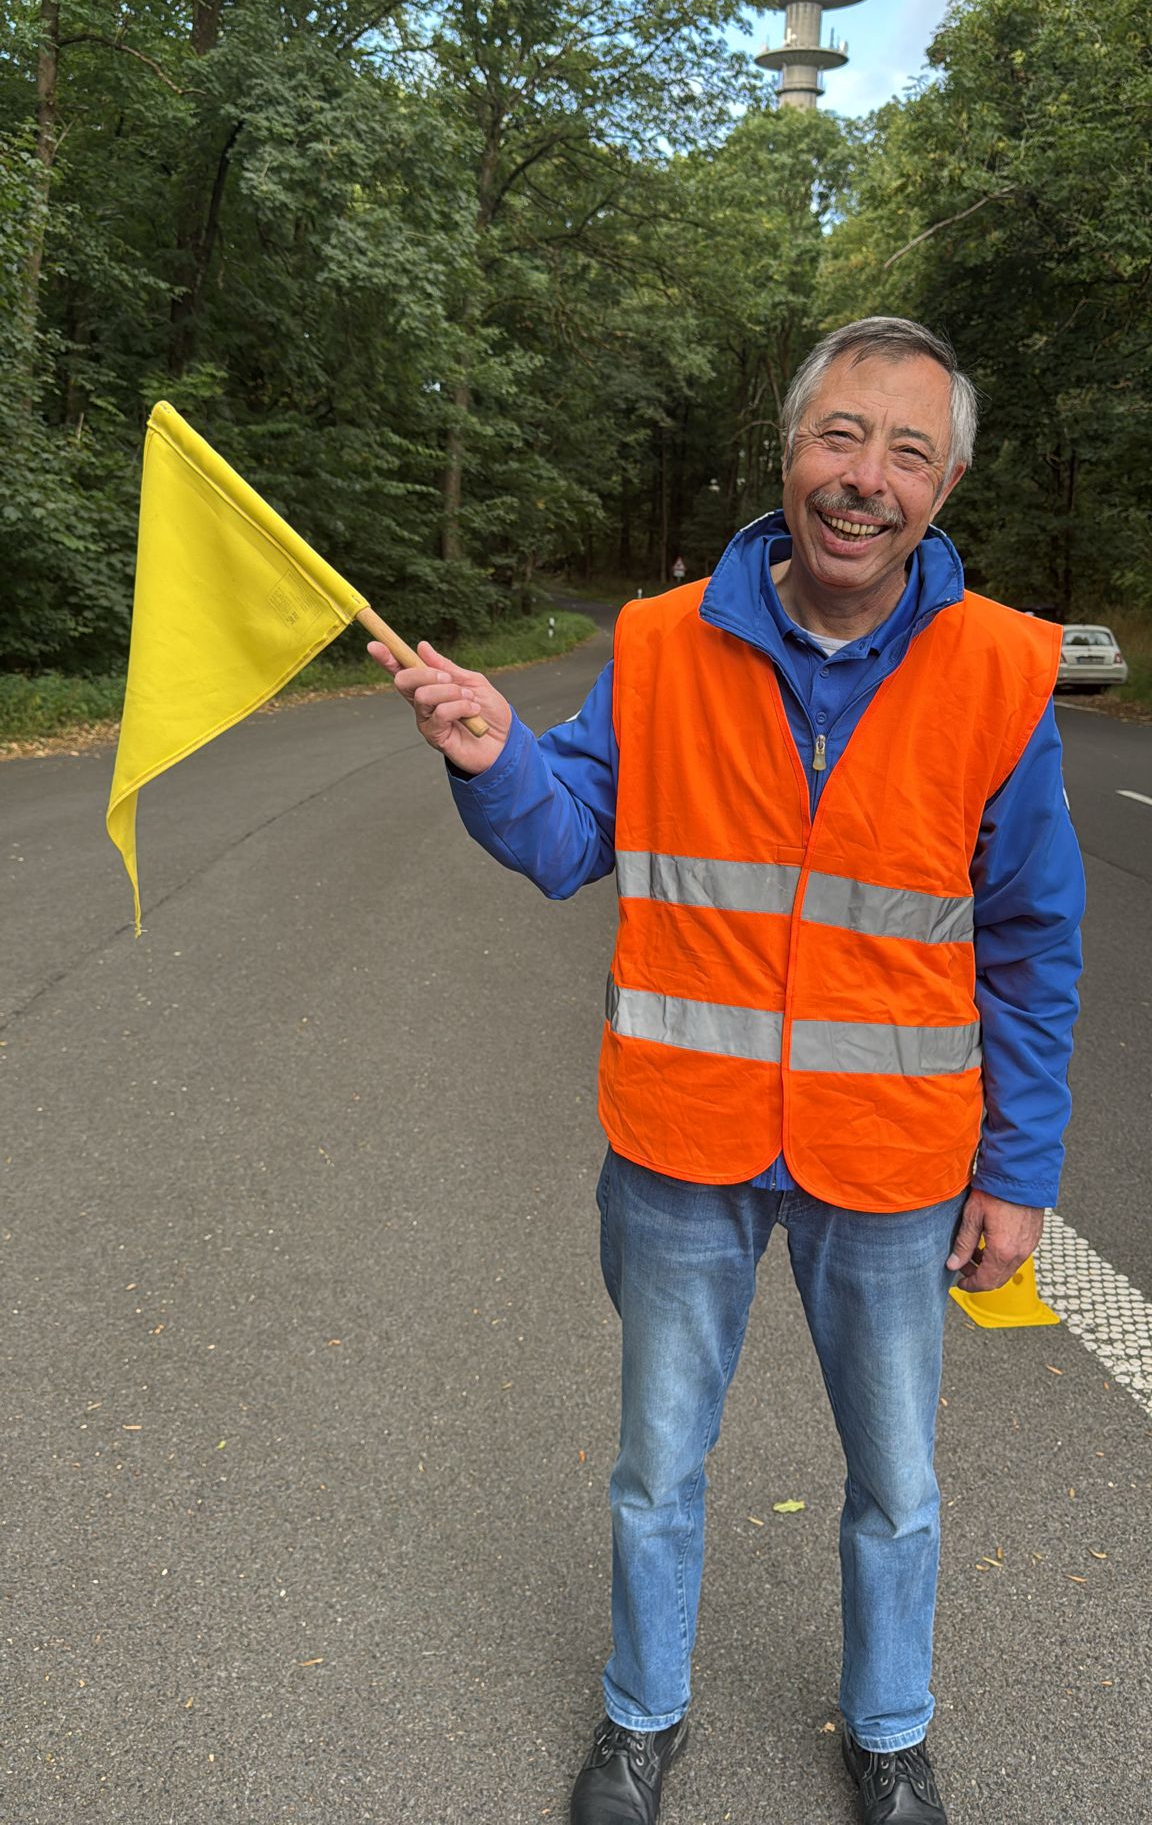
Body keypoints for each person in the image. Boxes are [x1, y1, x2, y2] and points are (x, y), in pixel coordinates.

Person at [368, 317, 1084, 1825]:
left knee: (897, 1483)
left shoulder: (1003, 673)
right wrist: (494, 755)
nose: (865, 477)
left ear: (945, 486)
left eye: (907, 451)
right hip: (681, 1144)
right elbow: (571, 836)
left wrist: (1017, 1174)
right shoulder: (659, 643)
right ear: (789, 447)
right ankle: (642, 1719)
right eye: (841, 435)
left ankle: (890, 1731)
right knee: (656, 1467)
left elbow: (1031, 944)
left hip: (889, 1159)